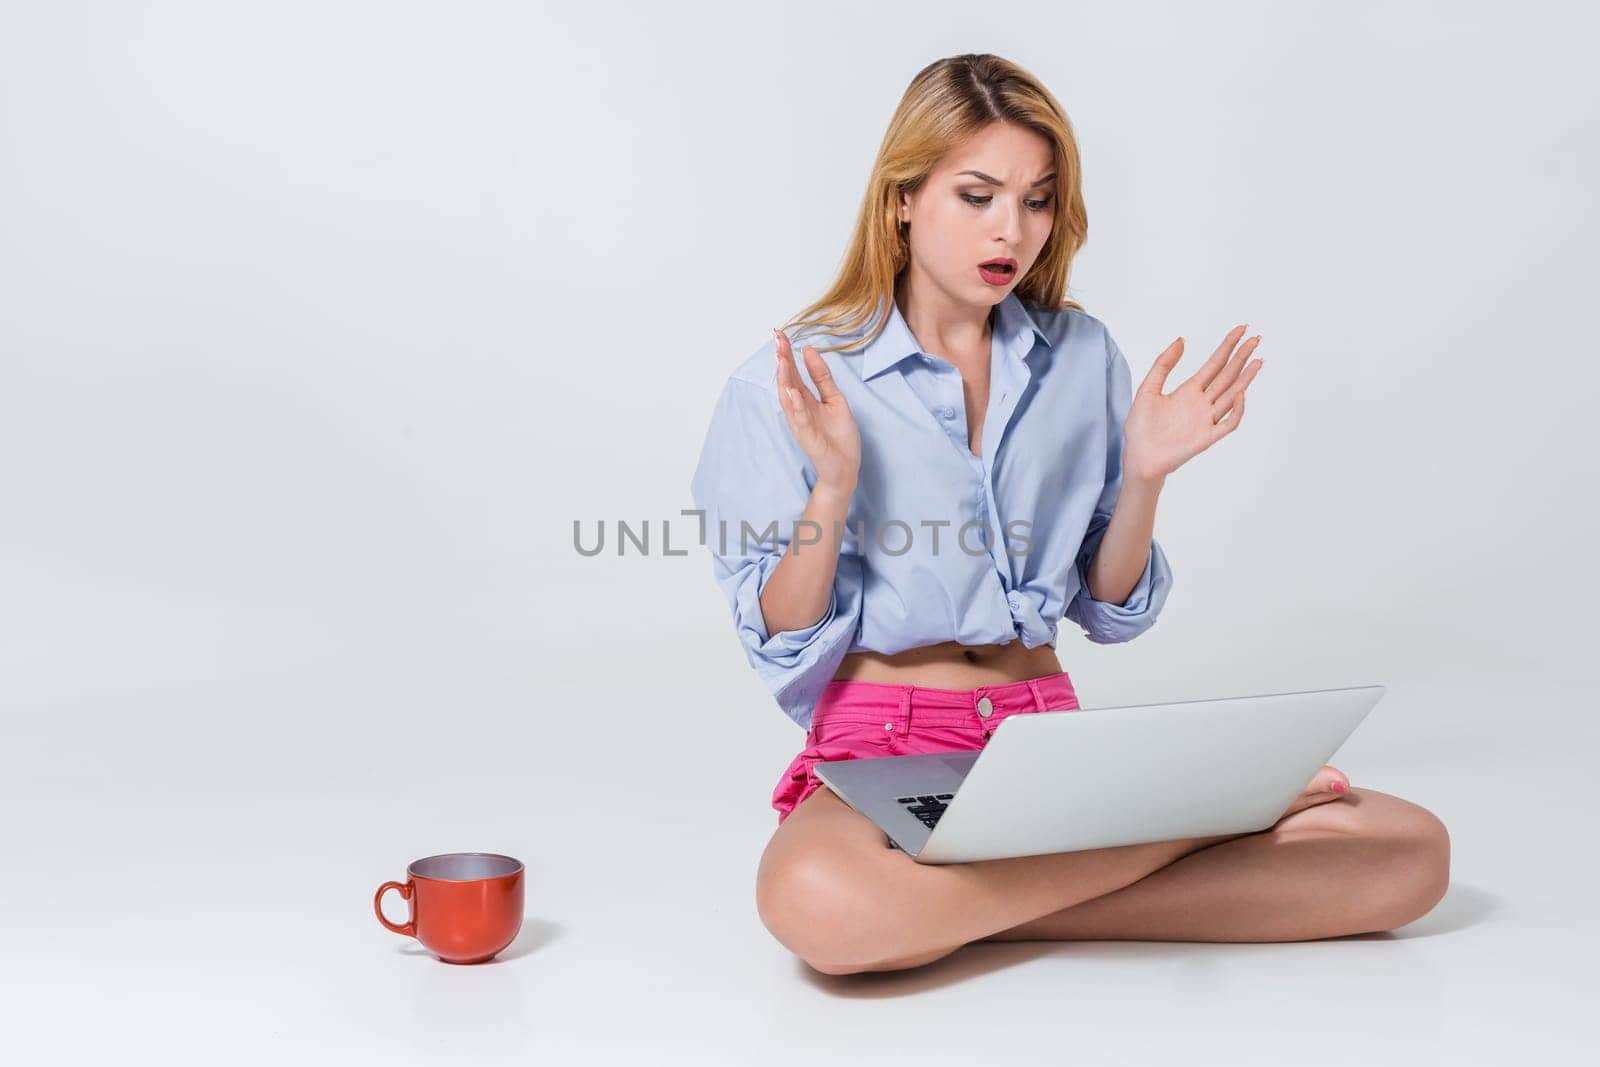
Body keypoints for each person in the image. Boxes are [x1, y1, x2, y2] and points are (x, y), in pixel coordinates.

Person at [688, 53, 1450, 976]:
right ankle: (1178, 841)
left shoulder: (1080, 356)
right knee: (811, 896)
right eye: (977, 195)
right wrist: (833, 488)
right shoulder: (797, 378)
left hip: (1044, 731)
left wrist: (1144, 477)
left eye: (1038, 199)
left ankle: (957, 912)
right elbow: (779, 633)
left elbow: (1106, 605)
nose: (1013, 228)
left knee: (1411, 849)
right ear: (902, 197)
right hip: (887, 737)